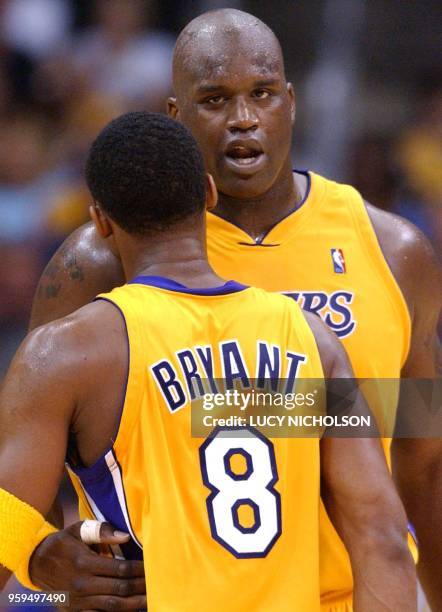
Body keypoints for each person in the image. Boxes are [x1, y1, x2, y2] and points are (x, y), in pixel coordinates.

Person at [26, 9, 442, 612]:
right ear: (177, 115)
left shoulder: (395, 250)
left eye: (263, 94)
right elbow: (28, 454)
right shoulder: (103, 258)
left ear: (292, 103)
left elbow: (422, 452)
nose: (244, 119)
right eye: (216, 99)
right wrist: (52, 576)